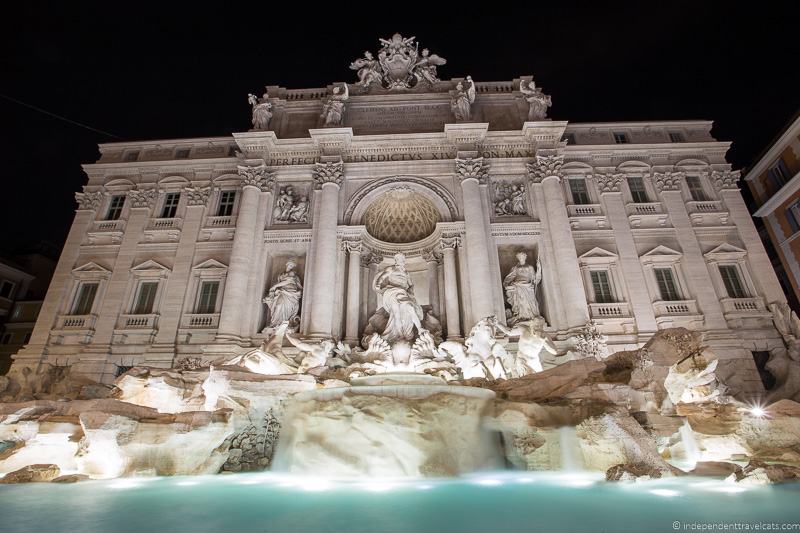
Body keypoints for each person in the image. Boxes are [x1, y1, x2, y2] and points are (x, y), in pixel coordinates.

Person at [372, 253, 424, 344]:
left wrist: (411, 292)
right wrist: (378, 285)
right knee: (396, 314)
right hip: (391, 292)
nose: (402, 261)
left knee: (410, 307)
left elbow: (411, 285)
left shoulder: (406, 272)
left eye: (403, 259)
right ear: (396, 260)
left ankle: (420, 329)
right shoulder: (391, 269)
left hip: (403, 293)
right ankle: (400, 335)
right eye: (400, 259)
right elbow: (382, 277)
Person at [503, 251, 542, 324]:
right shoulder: (515, 268)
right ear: (518, 258)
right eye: (520, 257)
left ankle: (531, 317)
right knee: (520, 302)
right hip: (518, 286)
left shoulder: (530, 267)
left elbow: (535, 279)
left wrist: (539, 269)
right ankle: (521, 317)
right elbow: (509, 277)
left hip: (528, 287)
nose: (521, 258)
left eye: (523, 256)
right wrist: (507, 284)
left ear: (525, 257)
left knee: (530, 302)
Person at [264, 260, 303, 328]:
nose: (290, 267)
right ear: (287, 264)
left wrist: (275, 286)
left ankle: (284, 324)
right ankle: (276, 323)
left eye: (292, 266)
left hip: (290, 293)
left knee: (286, 307)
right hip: (282, 292)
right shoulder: (281, 274)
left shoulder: (292, 273)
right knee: (278, 305)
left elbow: (287, 281)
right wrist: (276, 288)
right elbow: (281, 283)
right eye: (290, 265)